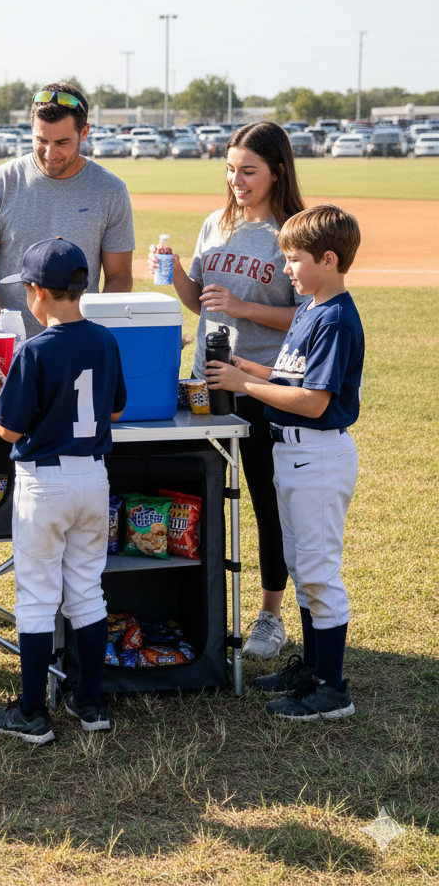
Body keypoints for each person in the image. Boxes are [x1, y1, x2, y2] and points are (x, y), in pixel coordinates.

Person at [0, 82, 134, 631]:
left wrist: (91, 330)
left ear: (84, 135)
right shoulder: (2, 179)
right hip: (8, 355)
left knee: (54, 494)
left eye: (62, 143)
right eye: (39, 141)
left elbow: (119, 275)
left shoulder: (109, 190)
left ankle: (59, 612)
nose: (50, 154)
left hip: (73, 357)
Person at [150, 122, 308, 659]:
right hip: (204, 383)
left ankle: (269, 615)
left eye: (249, 171)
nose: (237, 180)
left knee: (266, 501)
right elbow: (202, 302)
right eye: (231, 170)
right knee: (197, 496)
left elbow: (307, 319)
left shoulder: (292, 231)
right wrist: (174, 274)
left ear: (277, 171)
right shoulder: (215, 223)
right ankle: (196, 606)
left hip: (263, 384)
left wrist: (244, 308)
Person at [0, 238, 126, 743]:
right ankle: (91, 702)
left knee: (36, 597)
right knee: (86, 589)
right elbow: (115, 410)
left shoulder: (36, 349)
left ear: (36, 292)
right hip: (93, 478)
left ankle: (32, 712)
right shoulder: (105, 340)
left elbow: (10, 430)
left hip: (45, 479)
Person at [206, 205, 363, 720]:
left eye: (294, 260)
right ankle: (311, 670)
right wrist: (246, 365)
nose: (287, 269)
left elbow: (315, 400)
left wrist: (242, 385)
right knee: (301, 566)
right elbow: (291, 374)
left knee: (318, 573)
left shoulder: (335, 317)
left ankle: (331, 688)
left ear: (330, 259)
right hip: (293, 452)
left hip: (317, 451)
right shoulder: (311, 309)